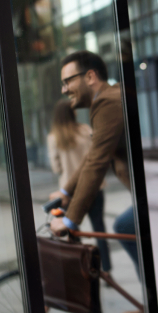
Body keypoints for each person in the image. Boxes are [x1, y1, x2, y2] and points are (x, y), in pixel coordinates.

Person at [48, 51, 141, 313]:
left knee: (124, 226)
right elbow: (92, 156)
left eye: (68, 82)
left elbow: (97, 162)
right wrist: (66, 191)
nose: (65, 90)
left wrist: (71, 221)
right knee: (122, 226)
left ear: (90, 76)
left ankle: (149, 302)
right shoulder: (107, 99)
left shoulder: (108, 103)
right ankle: (148, 300)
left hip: (152, 197)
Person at [47, 99, 112, 274]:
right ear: (72, 113)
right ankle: (106, 269)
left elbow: (56, 168)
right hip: (94, 187)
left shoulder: (54, 138)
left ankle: (81, 271)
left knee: (72, 231)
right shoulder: (85, 131)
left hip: (70, 193)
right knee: (100, 229)